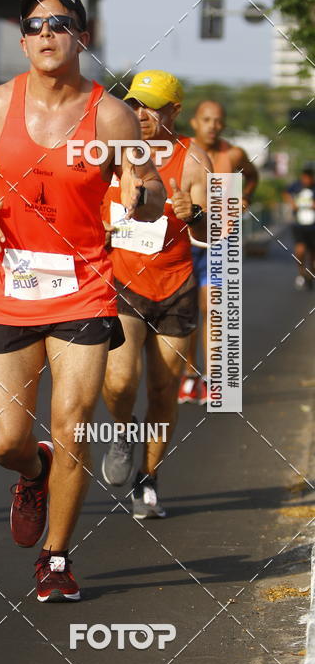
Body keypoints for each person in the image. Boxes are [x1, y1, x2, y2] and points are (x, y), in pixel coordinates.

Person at [0, 0, 165, 602]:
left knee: (73, 425)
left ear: (81, 38)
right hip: (6, 289)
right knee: (5, 440)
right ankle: (32, 473)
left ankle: (56, 558)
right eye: (34, 25)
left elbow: (149, 186)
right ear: (23, 41)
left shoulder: (110, 115)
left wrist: (143, 193)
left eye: (59, 24)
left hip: (83, 289)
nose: (46, 33)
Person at [100, 71, 211, 518]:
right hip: (122, 283)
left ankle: (148, 478)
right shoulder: (112, 150)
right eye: (134, 105)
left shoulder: (194, 158)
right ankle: (123, 428)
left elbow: (217, 234)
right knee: (120, 381)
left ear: (174, 111)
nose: (140, 114)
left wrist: (195, 214)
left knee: (163, 389)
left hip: (175, 287)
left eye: (151, 106)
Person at [178, 100, 259, 404]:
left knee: (212, 308)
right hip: (186, 241)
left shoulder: (233, 154)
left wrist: (245, 197)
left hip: (219, 240)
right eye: (206, 120)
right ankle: (189, 375)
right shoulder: (182, 151)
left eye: (218, 121)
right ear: (195, 122)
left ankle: (213, 379)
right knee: (186, 311)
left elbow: (252, 176)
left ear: (223, 125)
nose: (213, 126)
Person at [284, 165, 315, 290]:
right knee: (300, 250)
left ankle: (310, 274)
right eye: (305, 176)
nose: (307, 179)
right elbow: (286, 193)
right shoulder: (296, 185)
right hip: (299, 224)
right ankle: (301, 272)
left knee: (312, 254)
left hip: (313, 226)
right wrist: (292, 203)